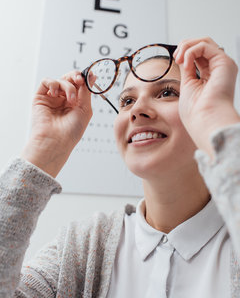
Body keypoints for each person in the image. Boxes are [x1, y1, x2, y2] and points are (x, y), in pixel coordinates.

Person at [1, 37, 240, 297]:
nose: (137, 111)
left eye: (167, 93)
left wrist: (216, 117)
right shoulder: (84, 246)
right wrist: (45, 148)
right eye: (127, 101)